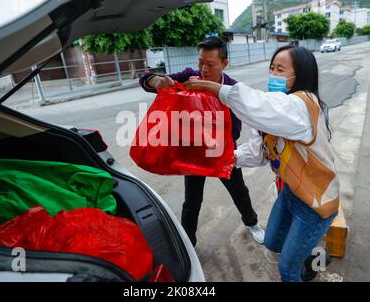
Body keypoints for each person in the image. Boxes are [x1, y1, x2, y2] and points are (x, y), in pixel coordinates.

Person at [185, 45, 339, 282]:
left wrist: (218, 90)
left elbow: (260, 108)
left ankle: (306, 260)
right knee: (272, 241)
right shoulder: (275, 109)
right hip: (290, 193)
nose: (273, 74)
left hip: (315, 202)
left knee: (287, 269)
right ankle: (310, 254)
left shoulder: (303, 104)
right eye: (272, 68)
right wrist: (220, 159)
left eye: (281, 70)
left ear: (301, 75)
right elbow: (257, 153)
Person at [139, 36, 265, 246]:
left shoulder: (233, 89)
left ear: (225, 63)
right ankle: (188, 242)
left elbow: (243, 122)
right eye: (201, 63)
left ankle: (252, 223)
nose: (203, 70)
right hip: (195, 153)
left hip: (223, 151)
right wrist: (156, 81)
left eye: (210, 64)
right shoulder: (190, 77)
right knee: (191, 201)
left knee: (239, 191)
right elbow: (146, 80)